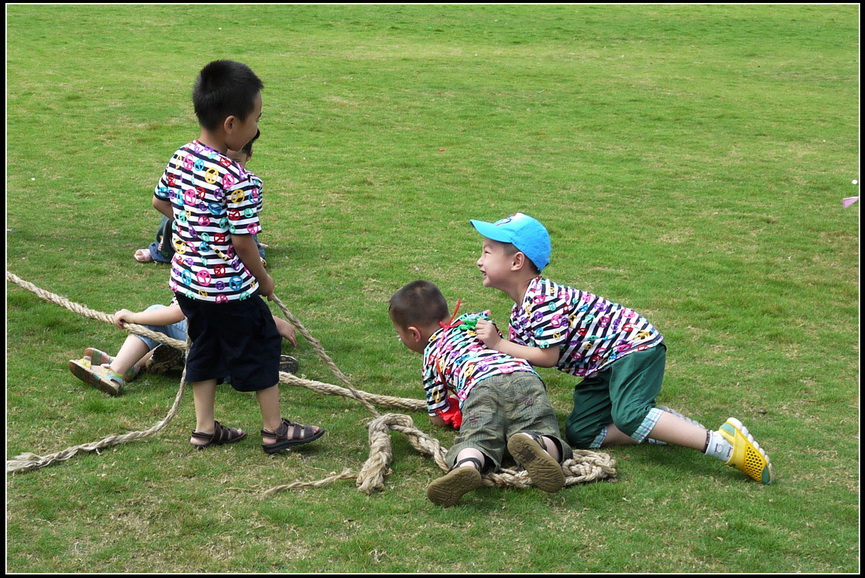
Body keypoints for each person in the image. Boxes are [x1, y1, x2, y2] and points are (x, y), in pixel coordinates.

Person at [469, 212, 775, 485]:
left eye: (486, 252)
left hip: (634, 348)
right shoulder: (520, 310)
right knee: (582, 433)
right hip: (601, 367)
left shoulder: (542, 298)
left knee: (629, 416)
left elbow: (548, 357)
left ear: (516, 261)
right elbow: (523, 357)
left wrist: (498, 343)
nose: (479, 261)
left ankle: (722, 443)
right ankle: (661, 425)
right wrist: (484, 350)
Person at [150, 59, 323, 453]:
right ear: (232, 124)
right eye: (256, 119)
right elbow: (244, 244)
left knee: (205, 347)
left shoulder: (181, 157)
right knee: (262, 343)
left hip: (188, 285)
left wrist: (194, 226)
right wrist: (264, 279)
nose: (258, 128)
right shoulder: (240, 180)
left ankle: (204, 428)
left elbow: (160, 200)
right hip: (229, 290)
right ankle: (274, 429)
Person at [389, 280, 574, 507]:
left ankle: (468, 465)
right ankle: (536, 442)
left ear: (414, 334)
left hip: (480, 389)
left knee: (479, 435)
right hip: (524, 378)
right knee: (538, 423)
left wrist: (454, 407)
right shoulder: (477, 322)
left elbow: (438, 415)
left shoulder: (431, 356)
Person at [67, 299, 301, 396]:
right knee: (166, 323)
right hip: (235, 344)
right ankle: (132, 364)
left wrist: (133, 316)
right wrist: (271, 320)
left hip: (216, 349)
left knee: (153, 315)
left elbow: (178, 312)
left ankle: (115, 373)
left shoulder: (199, 259)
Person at [135, 131, 268, 267]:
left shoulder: (251, 183)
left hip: (231, 230)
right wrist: (190, 222)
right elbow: (160, 202)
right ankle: (161, 250)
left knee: (246, 227)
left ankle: (256, 255)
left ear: (249, 156)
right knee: (170, 219)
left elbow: (250, 220)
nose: (229, 167)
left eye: (236, 161)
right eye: (225, 160)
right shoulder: (198, 176)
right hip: (193, 224)